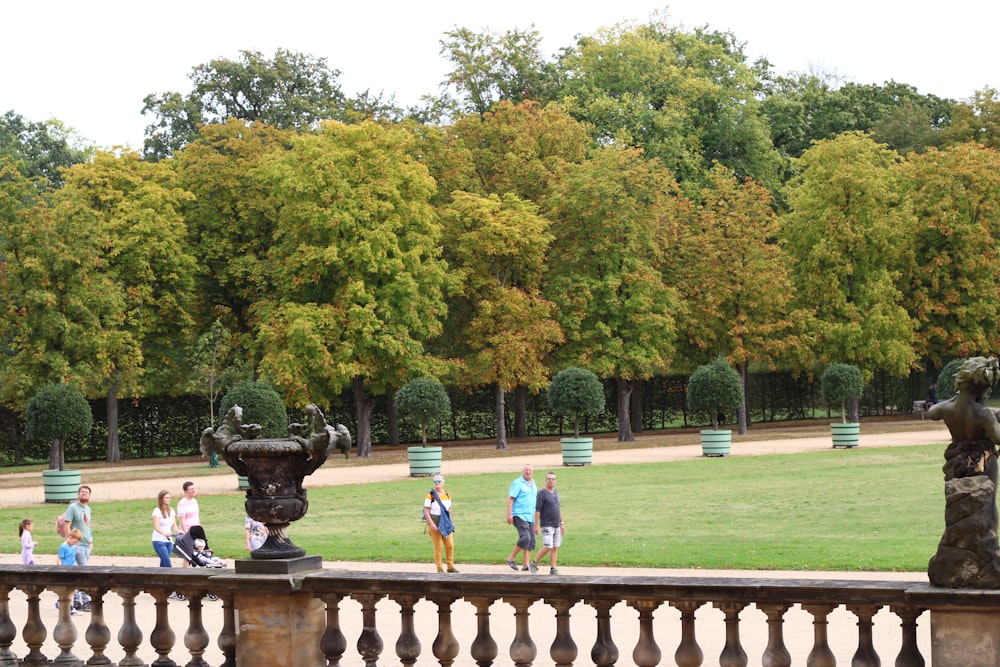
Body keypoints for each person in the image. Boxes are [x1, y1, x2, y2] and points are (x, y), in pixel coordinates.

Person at [64, 485, 93, 611]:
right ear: (78, 494)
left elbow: (87, 526)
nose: (84, 494)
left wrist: (91, 540)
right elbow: (66, 525)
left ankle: (76, 601)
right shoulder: (72, 507)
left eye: (86, 492)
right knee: (84, 573)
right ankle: (85, 601)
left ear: (89, 496)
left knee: (78, 573)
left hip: (86, 545)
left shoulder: (88, 509)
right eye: (82, 492)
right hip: (77, 545)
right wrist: (69, 542)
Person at [504, 464, 538, 572]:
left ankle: (525, 564)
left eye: (529, 470)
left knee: (531, 541)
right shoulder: (517, 483)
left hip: (530, 516)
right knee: (525, 537)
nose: (528, 472)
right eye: (526, 470)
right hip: (519, 514)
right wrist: (509, 514)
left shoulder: (533, 483)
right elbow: (511, 499)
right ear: (523, 471)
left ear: (532, 472)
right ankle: (511, 558)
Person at [531, 471, 565, 575]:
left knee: (555, 547)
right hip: (547, 524)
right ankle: (533, 563)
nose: (551, 481)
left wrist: (562, 522)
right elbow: (537, 511)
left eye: (553, 479)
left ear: (556, 481)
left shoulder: (556, 492)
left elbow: (558, 508)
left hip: (556, 524)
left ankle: (553, 568)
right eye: (549, 479)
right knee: (548, 546)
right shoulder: (541, 493)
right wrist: (536, 525)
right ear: (546, 480)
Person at [423, 474, 457, 573]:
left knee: (450, 545)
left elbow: (449, 510)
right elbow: (426, 511)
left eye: (439, 481)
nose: (437, 483)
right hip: (435, 523)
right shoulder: (430, 495)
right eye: (435, 481)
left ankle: (450, 567)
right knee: (438, 547)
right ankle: (439, 568)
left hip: (445, 523)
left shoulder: (447, 494)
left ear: (443, 483)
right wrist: (432, 524)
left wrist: (451, 522)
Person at [56, 528, 82, 615]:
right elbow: (59, 559)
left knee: (73, 589)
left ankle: (68, 606)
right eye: (75, 542)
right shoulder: (63, 547)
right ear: (70, 537)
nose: (76, 544)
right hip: (66, 570)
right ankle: (68, 606)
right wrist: (60, 569)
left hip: (72, 569)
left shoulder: (72, 546)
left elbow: (73, 558)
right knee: (70, 589)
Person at [151, 490, 179, 567]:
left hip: (169, 540)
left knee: (164, 563)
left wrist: (179, 531)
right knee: (167, 563)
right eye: (166, 498)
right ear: (161, 499)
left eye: (169, 498)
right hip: (159, 540)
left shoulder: (171, 510)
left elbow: (174, 525)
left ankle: (160, 578)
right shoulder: (157, 511)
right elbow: (156, 526)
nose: (169, 499)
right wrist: (164, 533)